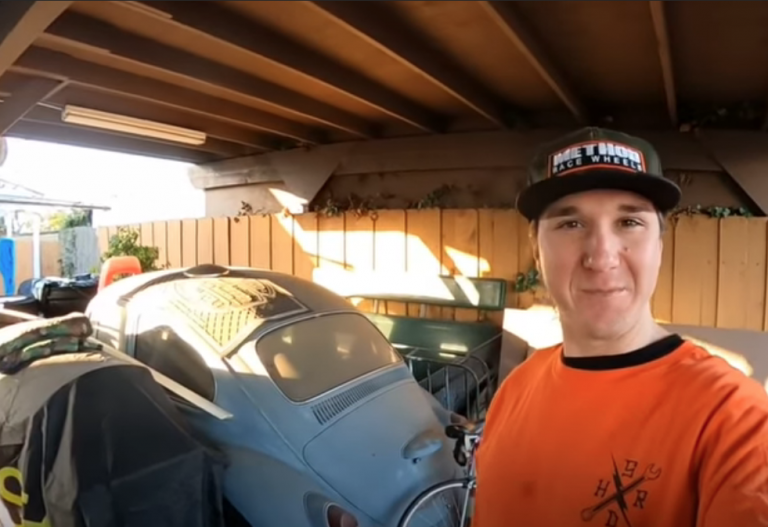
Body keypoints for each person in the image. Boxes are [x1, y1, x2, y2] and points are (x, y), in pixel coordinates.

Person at [472, 127, 768, 527]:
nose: (601, 257)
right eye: (570, 224)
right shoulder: (516, 389)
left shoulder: (734, 418)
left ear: (659, 246)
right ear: (535, 249)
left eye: (629, 221)